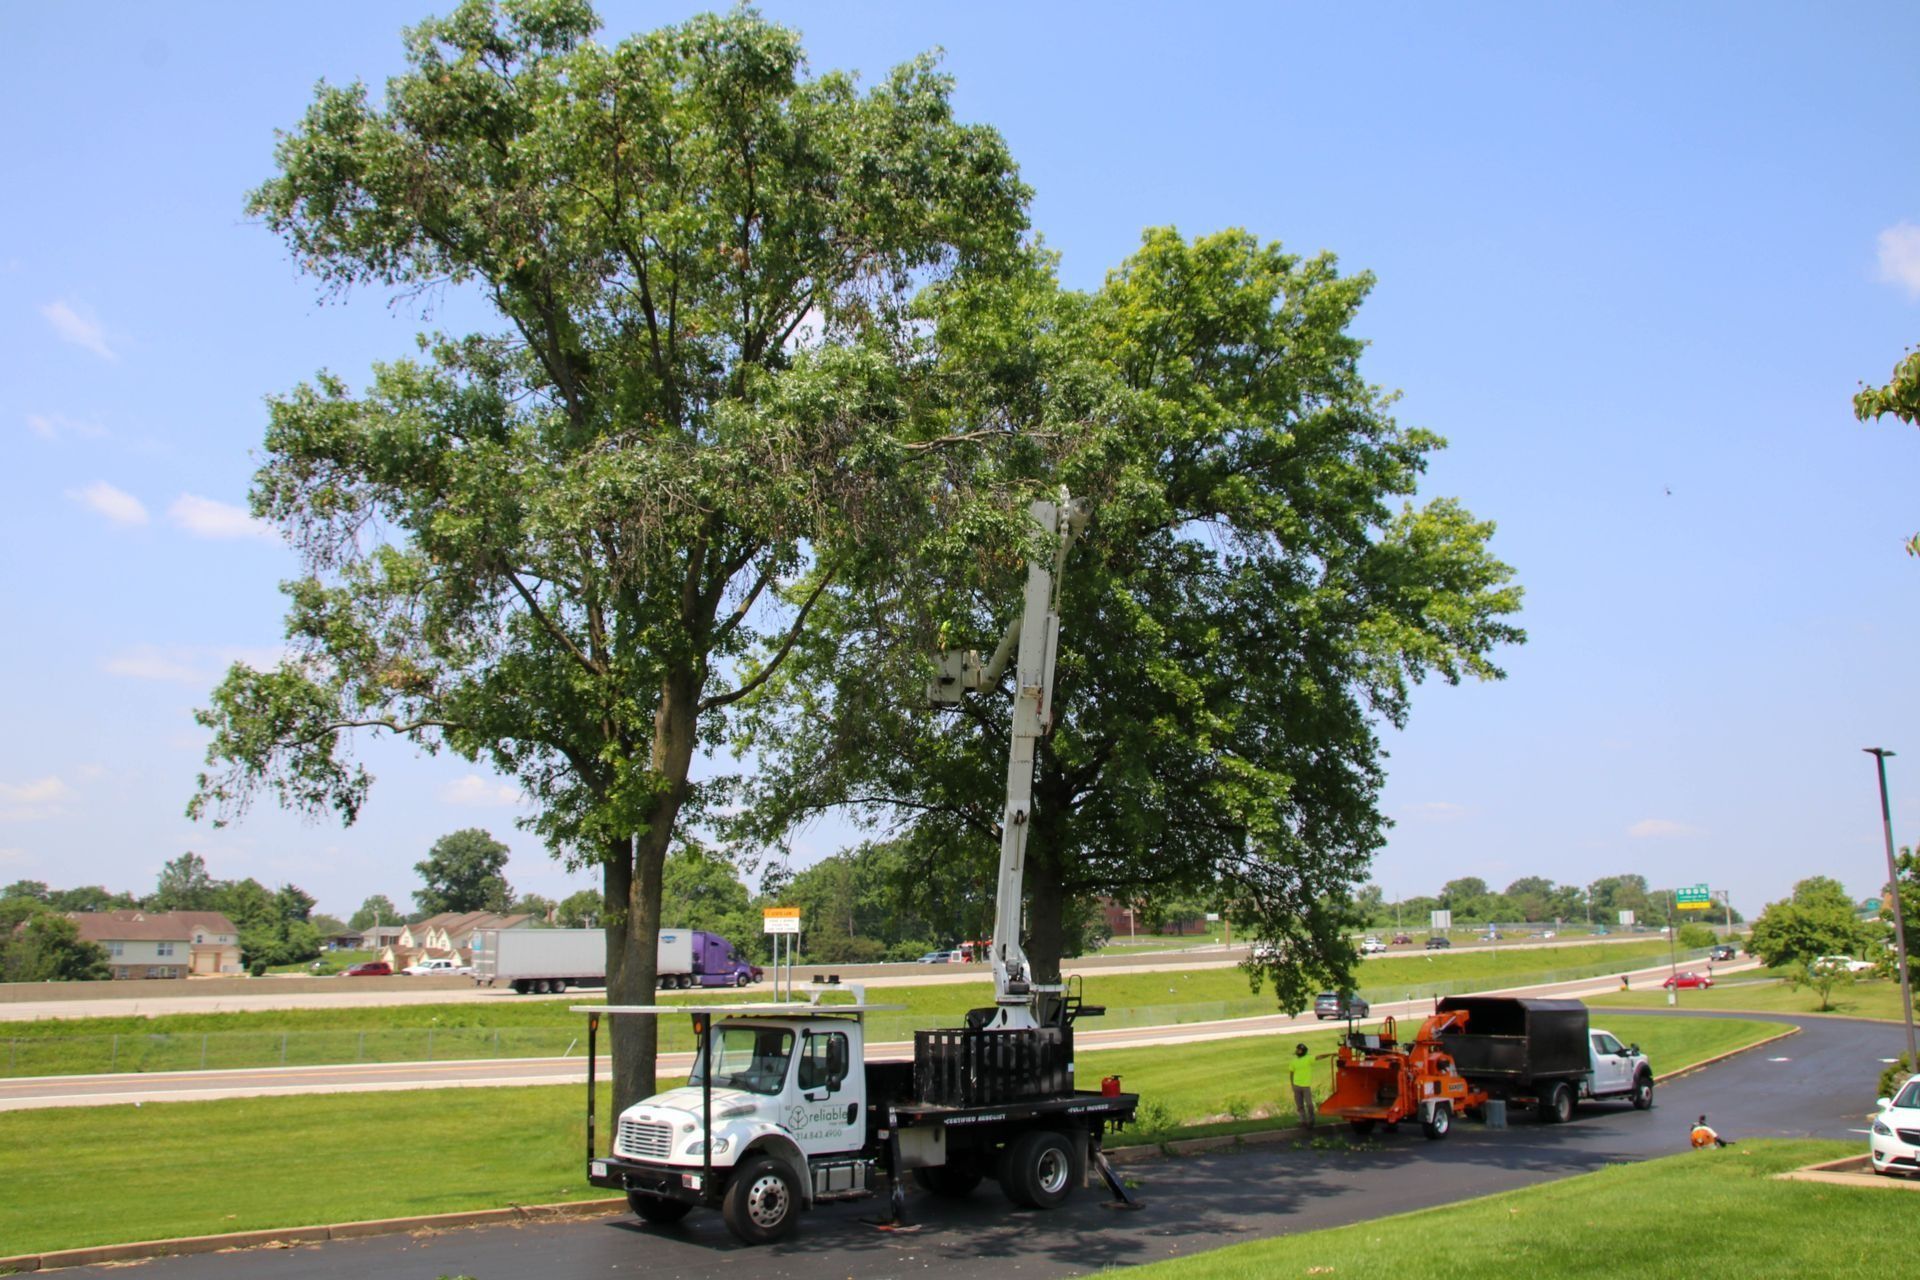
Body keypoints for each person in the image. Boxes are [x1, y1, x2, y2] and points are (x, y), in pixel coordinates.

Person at [1289, 1043, 1317, 1129]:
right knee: (1299, 1105)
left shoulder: (1308, 1058)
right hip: (1296, 1086)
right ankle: (1302, 1121)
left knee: (1309, 1104)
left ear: (1303, 1051)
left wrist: (1330, 1054)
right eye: (1297, 1049)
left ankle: (1311, 1120)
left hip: (1306, 1086)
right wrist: (1292, 1085)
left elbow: (1318, 1057)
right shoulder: (1294, 1061)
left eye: (1299, 1050)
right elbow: (1291, 1073)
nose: (1298, 1051)